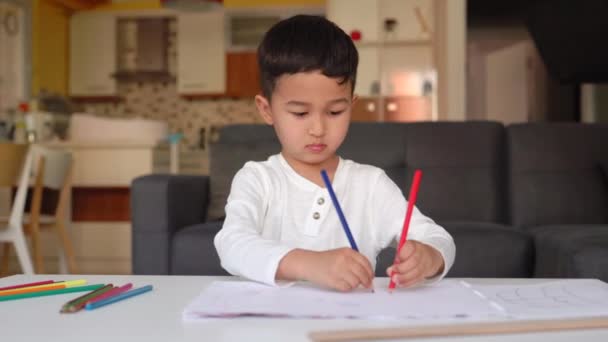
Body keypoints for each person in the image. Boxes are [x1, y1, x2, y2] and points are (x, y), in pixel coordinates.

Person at [214, 15, 455, 292]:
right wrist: (308, 264)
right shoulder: (258, 179)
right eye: (300, 113)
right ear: (267, 109)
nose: (318, 129)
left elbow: (438, 237)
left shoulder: (370, 184)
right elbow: (232, 244)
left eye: (335, 112)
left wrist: (429, 257)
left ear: (352, 105)